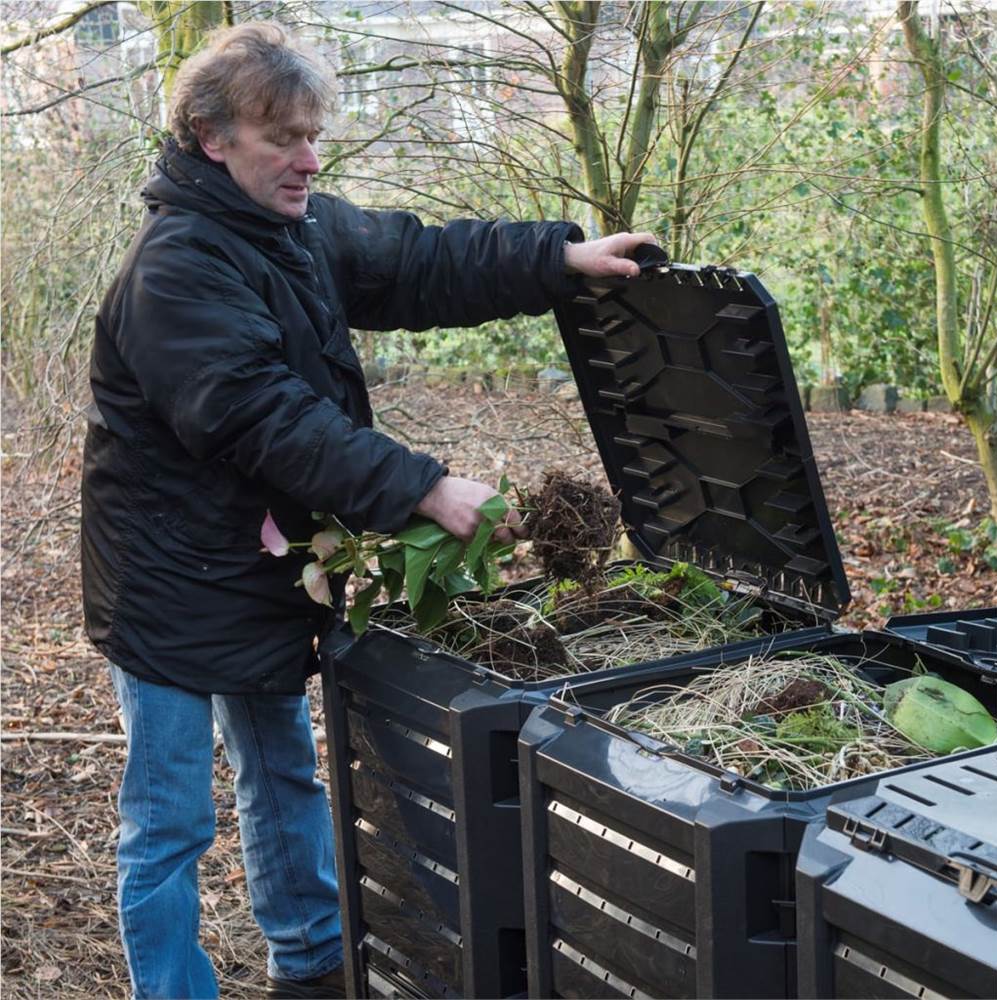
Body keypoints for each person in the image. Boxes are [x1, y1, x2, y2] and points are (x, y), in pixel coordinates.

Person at [80, 21, 656, 1000]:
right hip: (170, 582)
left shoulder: (292, 227)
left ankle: (309, 965)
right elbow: (264, 416)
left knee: (285, 775)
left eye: (314, 136)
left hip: (261, 567)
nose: (308, 159)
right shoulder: (176, 268)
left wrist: (561, 260)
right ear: (213, 139)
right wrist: (423, 486)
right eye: (283, 139)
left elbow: (420, 261)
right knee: (170, 820)